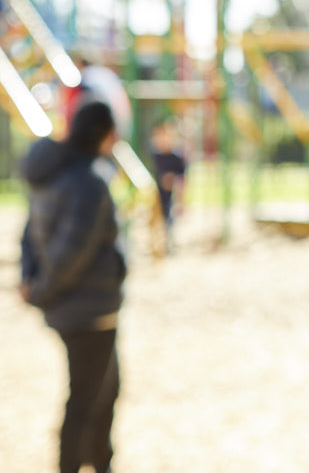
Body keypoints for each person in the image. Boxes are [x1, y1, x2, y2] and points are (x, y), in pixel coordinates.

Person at [19, 101, 126, 473]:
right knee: (87, 399)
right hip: (88, 309)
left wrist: (30, 279)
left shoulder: (52, 172)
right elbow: (72, 251)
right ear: (104, 132)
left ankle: (100, 463)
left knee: (105, 390)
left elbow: (29, 233)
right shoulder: (90, 180)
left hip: (73, 305)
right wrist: (41, 290)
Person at [150, 116, 188, 249]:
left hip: (170, 195)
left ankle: (168, 243)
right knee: (156, 220)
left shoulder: (175, 158)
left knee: (169, 219)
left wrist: (181, 200)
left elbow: (182, 180)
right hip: (155, 194)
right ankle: (158, 243)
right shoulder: (154, 156)